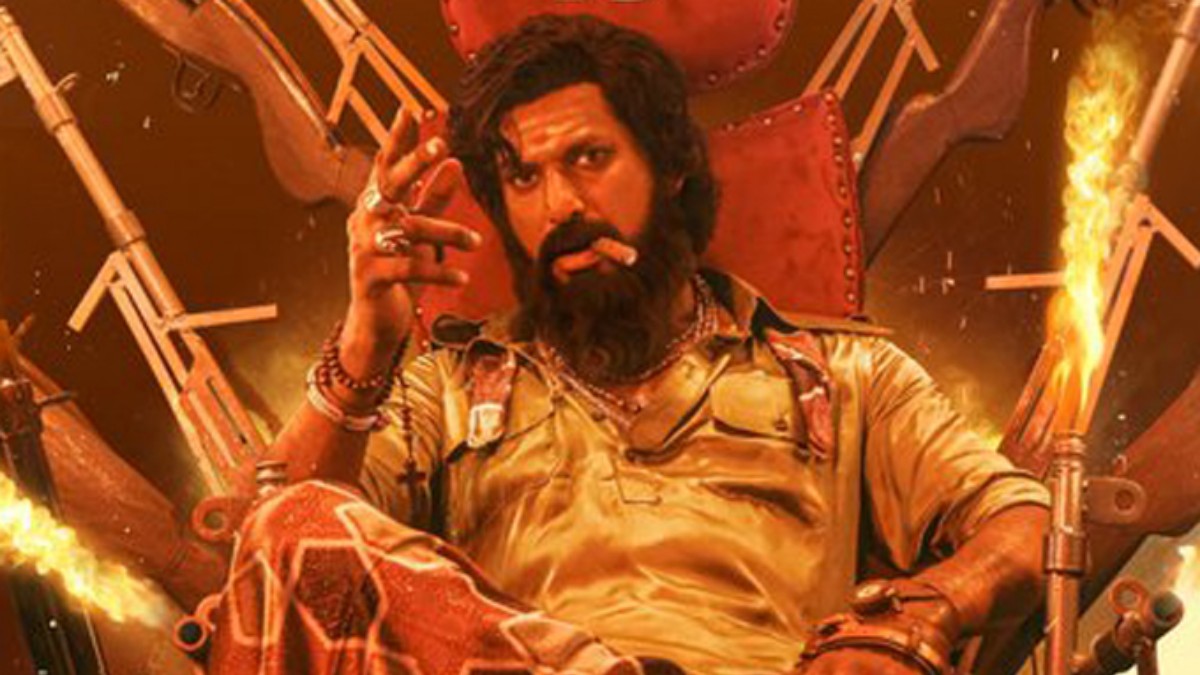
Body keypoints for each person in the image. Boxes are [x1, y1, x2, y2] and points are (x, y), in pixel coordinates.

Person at [213, 14, 1051, 675]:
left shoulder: (844, 374)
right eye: (524, 177)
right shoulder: (448, 388)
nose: (560, 205)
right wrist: (366, 344)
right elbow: (276, 558)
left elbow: (1031, 524)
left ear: (669, 167)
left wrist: (921, 613)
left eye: (589, 158)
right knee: (294, 520)